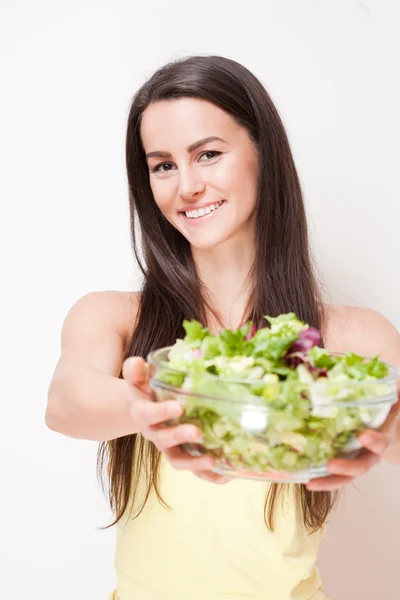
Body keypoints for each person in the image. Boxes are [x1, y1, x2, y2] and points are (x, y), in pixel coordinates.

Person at [46, 55, 400, 600]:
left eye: (207, 155)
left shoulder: (350, 337)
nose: (186, 185)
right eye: (162, 165)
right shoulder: (115, 317)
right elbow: (67, 403)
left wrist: (377, 433)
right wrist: (155, 408)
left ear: (264, 156)